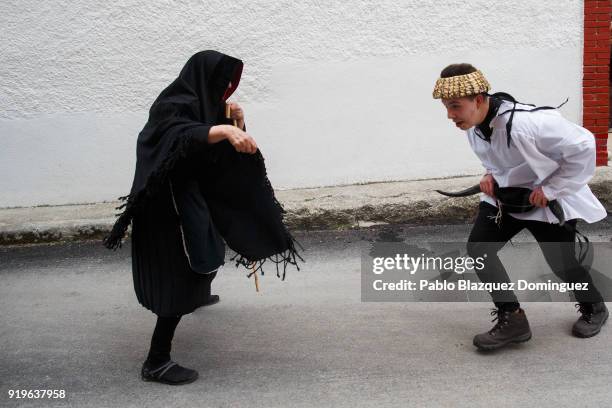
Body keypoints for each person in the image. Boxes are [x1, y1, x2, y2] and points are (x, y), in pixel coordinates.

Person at [103, 50, 301, 384]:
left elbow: (213, 151)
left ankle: (201, 291)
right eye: (221, 82)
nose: (225, 89)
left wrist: (235, 124)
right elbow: (178, 136)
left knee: (206, 252)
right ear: (202, 78)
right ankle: (157, 361)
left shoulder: (207, 107)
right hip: (166, 211)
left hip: (191, 203)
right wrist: (222, 131)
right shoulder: (171, 105)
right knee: (178, 277)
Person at [432, 63, 609, 351]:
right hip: (504, 199)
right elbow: (496, 154)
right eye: (446, 108)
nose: (450, 115)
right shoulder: (473, 124)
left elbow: (584, 145)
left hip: (545, 201)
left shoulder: (529, 123)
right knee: (480, 250)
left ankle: (595, 307)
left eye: (455, 106)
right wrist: (489, 173)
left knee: (562, 264)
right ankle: (512, 319)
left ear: (479, 100)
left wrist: (552, 189)